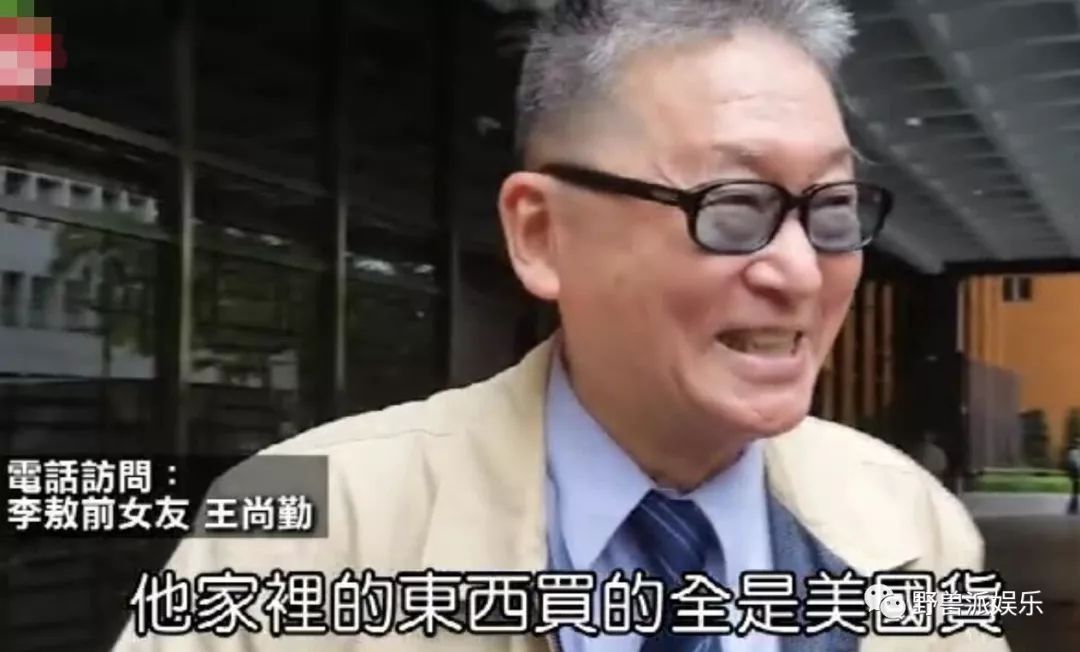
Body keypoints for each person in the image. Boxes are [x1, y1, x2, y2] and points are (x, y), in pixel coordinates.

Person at [115, 1, 1009, 650]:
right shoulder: (302, 523)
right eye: (735, 207)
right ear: (542, 234)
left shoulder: (907, 521)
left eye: (833, 208)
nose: (802, 270)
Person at [1066, 440, 1080, 515]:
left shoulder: (1072, 453)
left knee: (1074, 492)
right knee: (1075, 491)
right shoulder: (1075, 453)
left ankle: (1073, 508)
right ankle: (1073, 508)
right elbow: (1076, 464)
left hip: (1074, 475)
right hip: (1075, 475)